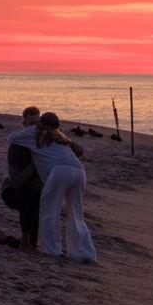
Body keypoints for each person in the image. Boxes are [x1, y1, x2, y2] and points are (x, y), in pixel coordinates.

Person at [33, 112, 97, 262]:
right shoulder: (63, 139)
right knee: (76, 213)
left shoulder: (37, 135)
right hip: (79, 172)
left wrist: (32, 126)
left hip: (60, 171)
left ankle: (53, 250)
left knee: (50, 209)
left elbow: (14, 137)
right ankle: (83, 252)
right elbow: (80, 150)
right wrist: (68, 141)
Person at [2, 105, 44, 250]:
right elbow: (16, 181)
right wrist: (34, 165)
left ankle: (32, 241)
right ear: (24, 124)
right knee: (30, 197)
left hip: (34, 189)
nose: (35, 128)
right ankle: (25, 240)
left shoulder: (42, 143)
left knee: (39, 196)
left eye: (38, 124)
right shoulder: (16, 147)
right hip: (12, 189)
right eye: (32, 124)